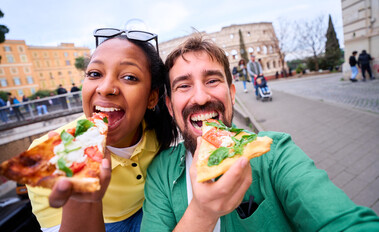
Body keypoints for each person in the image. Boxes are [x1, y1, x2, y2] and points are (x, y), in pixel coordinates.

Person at [140, 35, 379, 231]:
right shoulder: (160, 172)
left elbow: (343, 222)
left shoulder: (274, 151)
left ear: (232, 94)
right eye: (184, 85)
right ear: (170, 107)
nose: (201, 97)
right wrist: (203, 211)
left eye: (212, 80)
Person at [26, 28, 177, 232]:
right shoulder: (43, 157)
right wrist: (81, 200)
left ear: (152, 97)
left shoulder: (159, 130)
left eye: (129, 77)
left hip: (151, 209)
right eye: (95, 74)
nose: (105, 88)